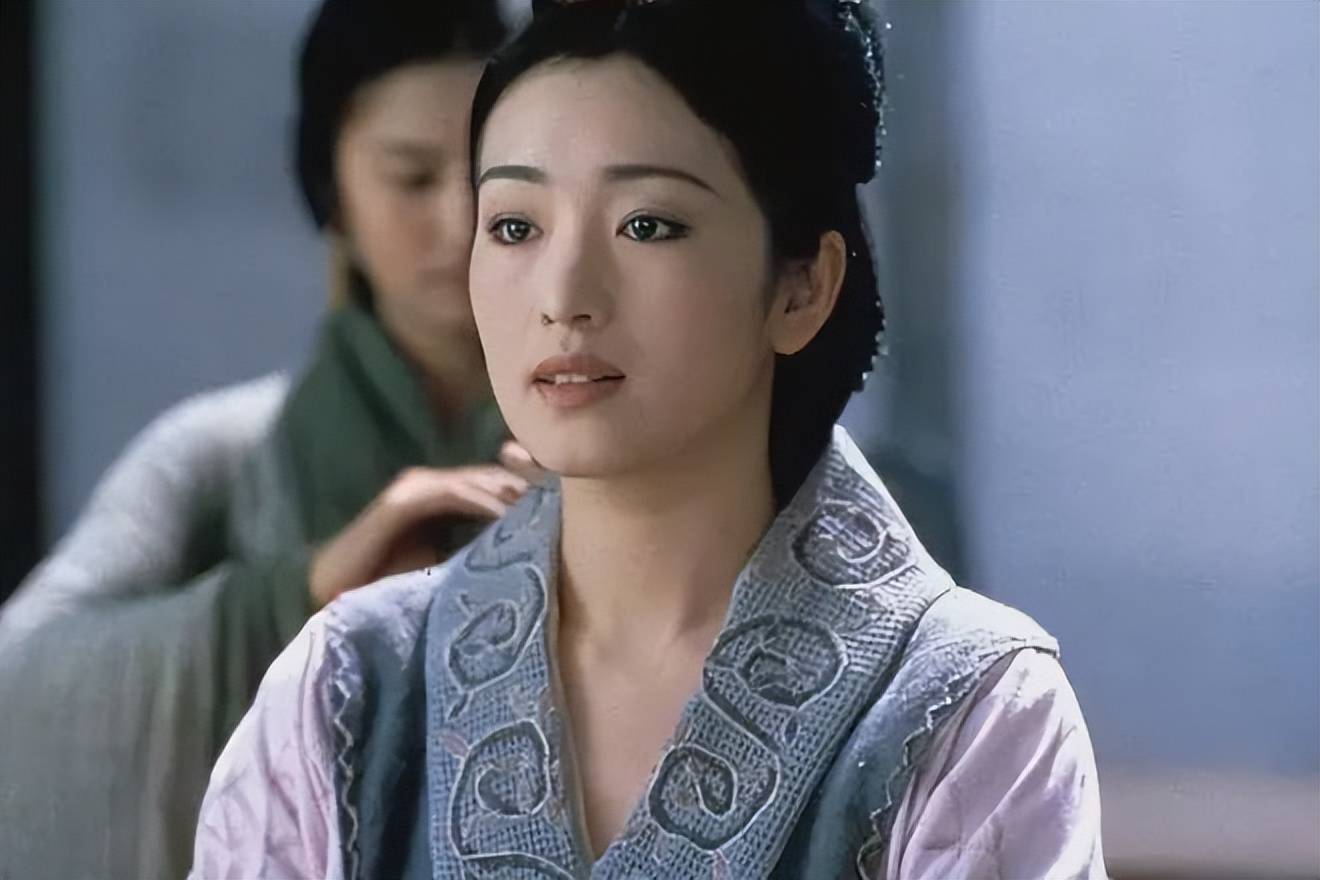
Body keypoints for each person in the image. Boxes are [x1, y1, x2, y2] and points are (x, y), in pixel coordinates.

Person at [190, 0, 1108, 877]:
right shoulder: (344, 690)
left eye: (647, 225)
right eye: (514, 226)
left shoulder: (971, 713)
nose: (563, 296)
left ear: (801, 286)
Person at [0, 2, 531, 878]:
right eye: (412, 177)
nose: (460, 218)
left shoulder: (606, 448)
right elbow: (21, 679)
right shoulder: (220, 455)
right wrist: (295, 593)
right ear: (331, 189)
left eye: (494, 175)